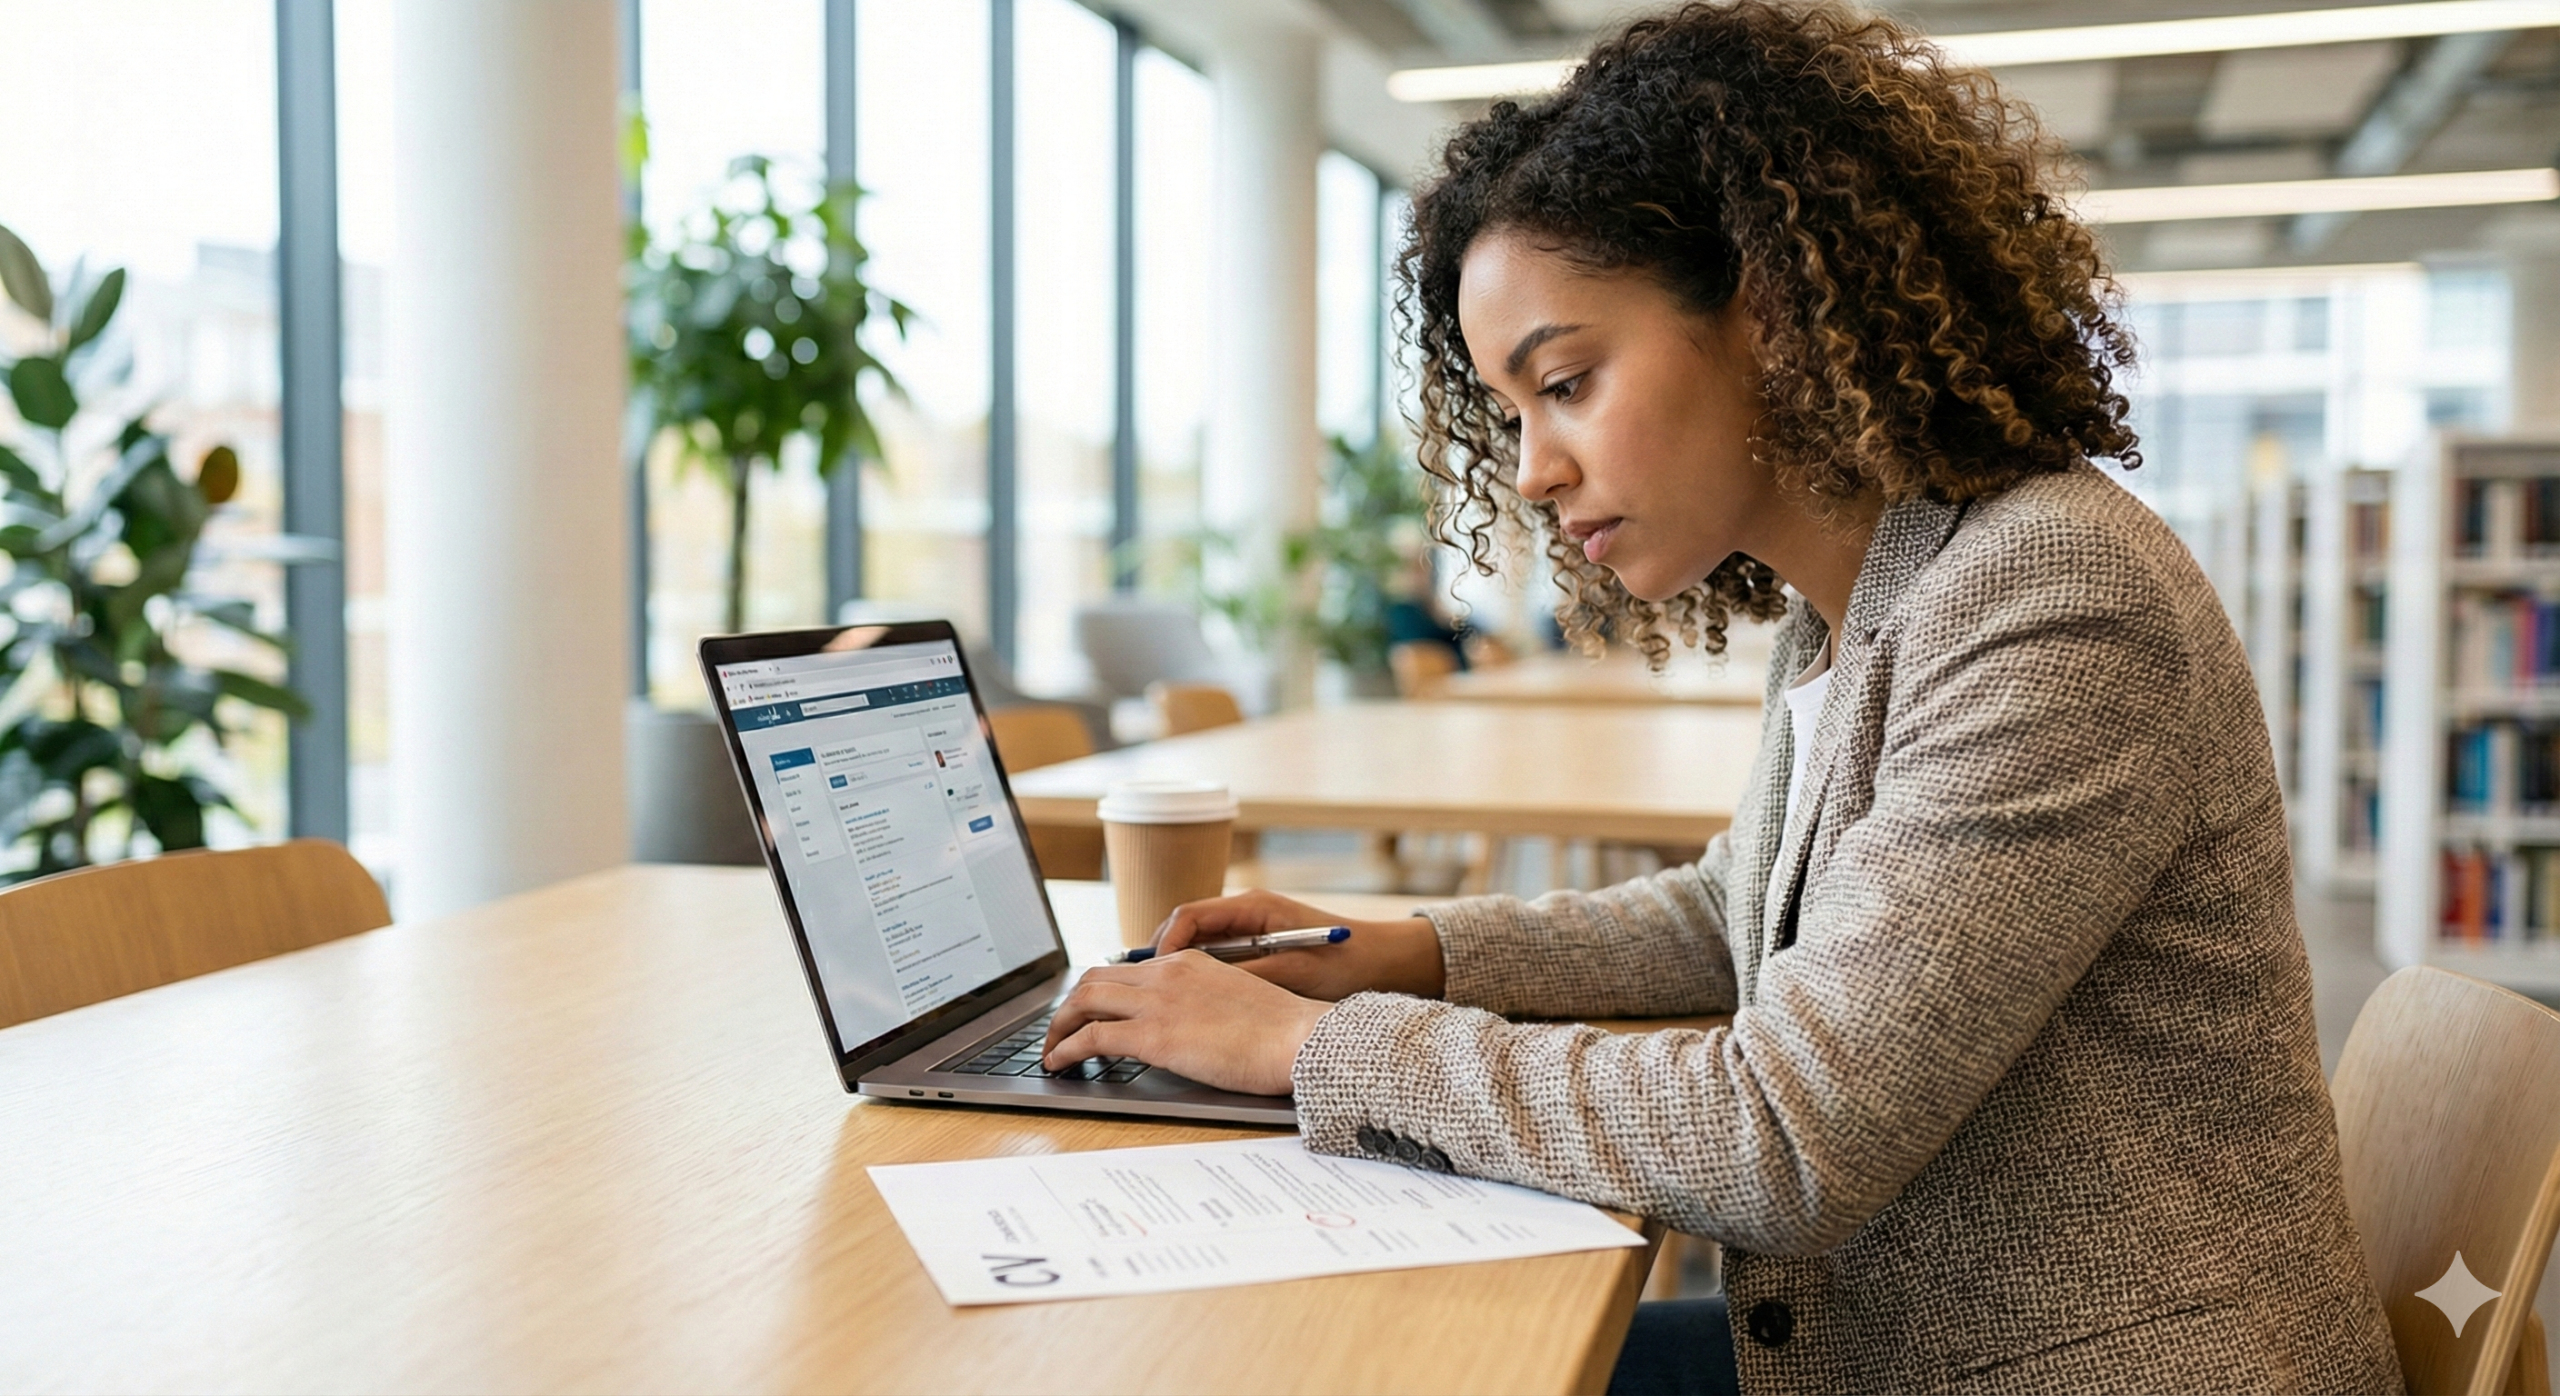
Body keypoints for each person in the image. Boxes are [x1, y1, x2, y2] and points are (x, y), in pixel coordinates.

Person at [1042, 4, 2404, 1391]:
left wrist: (1323, 1047)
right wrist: (1407, 952)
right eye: (1513, 413)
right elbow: (1730, 908)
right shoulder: (1858, 599)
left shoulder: (2050, 594)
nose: (1530, 471)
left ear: (1770, 313)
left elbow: (1787, 1139)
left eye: (1566, 383)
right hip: (1900, 1337)